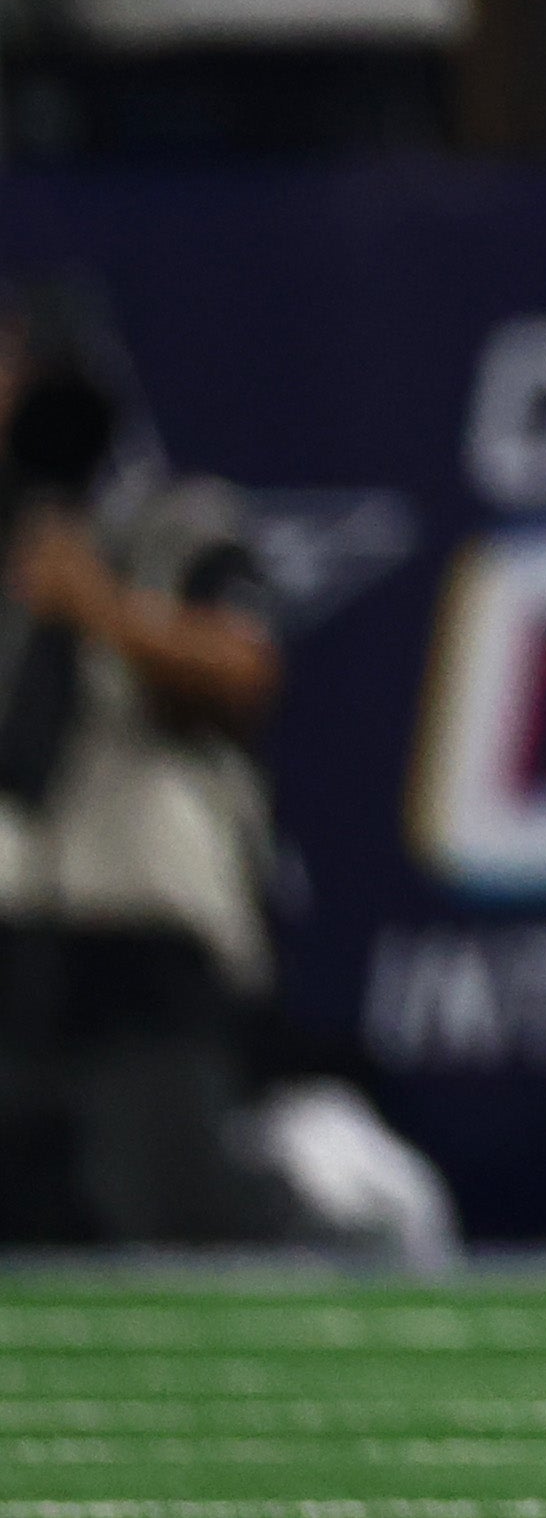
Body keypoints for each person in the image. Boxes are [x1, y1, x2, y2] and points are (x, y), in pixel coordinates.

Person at [0, 293, 303, 1243]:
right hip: (15, 931)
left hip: (144, 930)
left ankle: (331, 1202)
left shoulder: (176, 526)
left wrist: (101, 608)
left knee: (178, 1216)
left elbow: (243, 673)